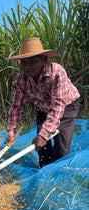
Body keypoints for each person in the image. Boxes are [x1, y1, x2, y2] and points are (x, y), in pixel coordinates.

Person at [5, 37, 80, 168]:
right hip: (43, 107)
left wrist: (44, 135)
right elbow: (15, 107)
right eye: (24, 63)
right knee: (41, 148)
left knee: (61, 149)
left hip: (66, 106)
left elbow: (58, 107)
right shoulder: (20, 80)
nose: (27, 67)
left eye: (32, 62)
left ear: (43, 60)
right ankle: (44, 173)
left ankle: (58, 174)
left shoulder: (56, 72)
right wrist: (11, 132)